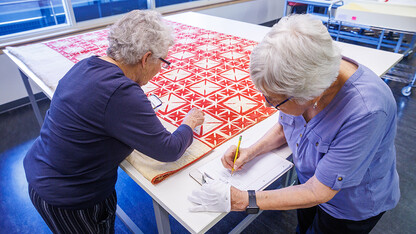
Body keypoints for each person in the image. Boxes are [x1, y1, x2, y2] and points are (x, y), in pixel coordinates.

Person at [188, 14, 399, 234]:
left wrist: (244, 199)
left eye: (273, 100)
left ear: (311, 95)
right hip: (308, 185)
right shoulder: (308, 76)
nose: (268, 105)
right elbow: (286, 126)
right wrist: (250, 152)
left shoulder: (367, 111)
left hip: (349, 206)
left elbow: (319, 191)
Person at [24, 10, 205, 233]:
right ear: (146, 58)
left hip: (43, 171)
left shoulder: (87, 64)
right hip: (69, 197)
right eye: (163, 60)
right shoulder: (122, 93)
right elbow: (169, 150)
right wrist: (189, 122)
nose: (161, 69)